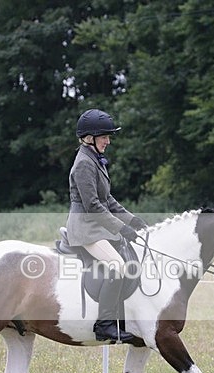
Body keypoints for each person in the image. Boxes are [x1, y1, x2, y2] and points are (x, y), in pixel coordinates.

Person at [66, 108, 147, 343]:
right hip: (85, 229)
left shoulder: (94, 160)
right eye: (104, 136)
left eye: (108, 137)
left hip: (97, 226)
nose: (108, 141)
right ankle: (104, 325)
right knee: (117, 266)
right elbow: (92, 205)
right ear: (89, 137)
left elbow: (108, 200)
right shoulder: (84, 163)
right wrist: (121, 229)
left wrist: (132, 220)